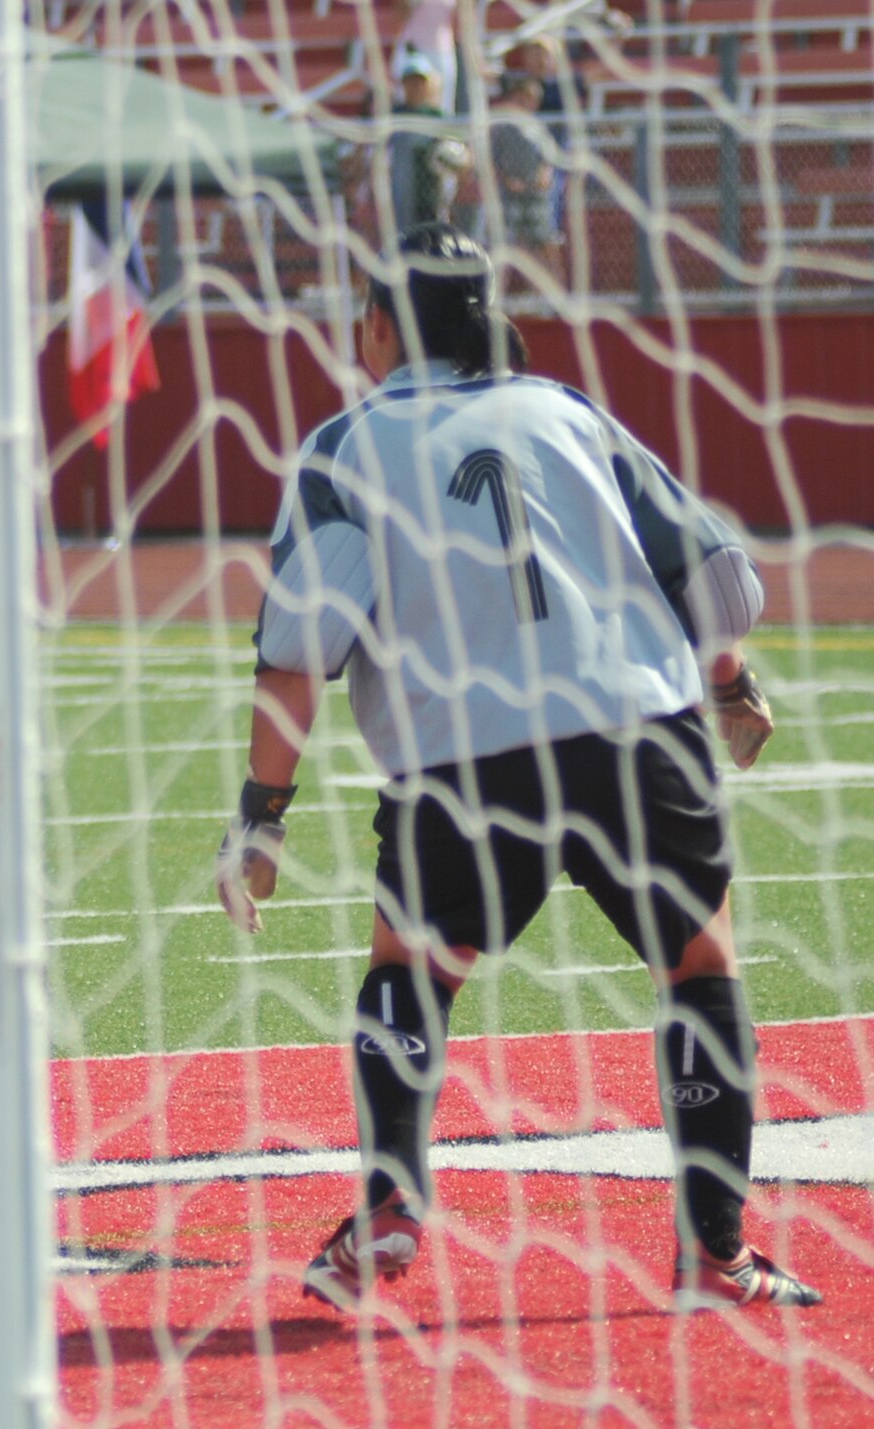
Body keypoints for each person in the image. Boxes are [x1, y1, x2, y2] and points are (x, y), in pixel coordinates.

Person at [217, 223, 818, 1313]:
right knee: (696, 970)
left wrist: (260, 812)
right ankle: (714, 1254)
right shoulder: (571, 412)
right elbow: (713, 573)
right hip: (635, 726)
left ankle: (390, 1202)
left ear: (385, 323)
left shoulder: (343, 446)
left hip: (458, 753)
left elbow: (301, 641)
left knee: (410, 971)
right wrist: (726, 684)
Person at [489, 72, 566, 284]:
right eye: (523, 97)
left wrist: (543, 175)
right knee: (508, 247)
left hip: (538, 195)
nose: (528, 103)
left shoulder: (539, 127)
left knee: (546, 243)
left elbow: (550, 158)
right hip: (510, 195)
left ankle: (556, 294)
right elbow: (493, 159)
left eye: (532, 99)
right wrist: (507, 180)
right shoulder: (501, 127)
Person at [388, 55, 468, 233]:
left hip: (432, 192)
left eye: (420, 82)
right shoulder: (394, 115)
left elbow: (461, 152)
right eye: (411, 82)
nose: (416, 87)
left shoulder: (438, 116)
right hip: (399, 192)